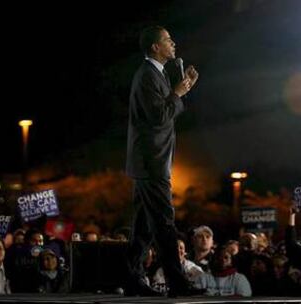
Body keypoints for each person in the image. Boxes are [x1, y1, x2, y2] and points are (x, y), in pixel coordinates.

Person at [125, 25, 199, 297]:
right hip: (151, 163)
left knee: (144, 227)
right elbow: (158, 116)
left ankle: (131, 279)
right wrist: (177, 92)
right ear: (155, 47)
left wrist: (183, 87)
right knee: (165, 222)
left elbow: (167, 110)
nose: (173, 43)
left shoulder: (158, 74)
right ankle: (178, 284)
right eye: (168, 40)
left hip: (153, 161)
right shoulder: (146, 76)